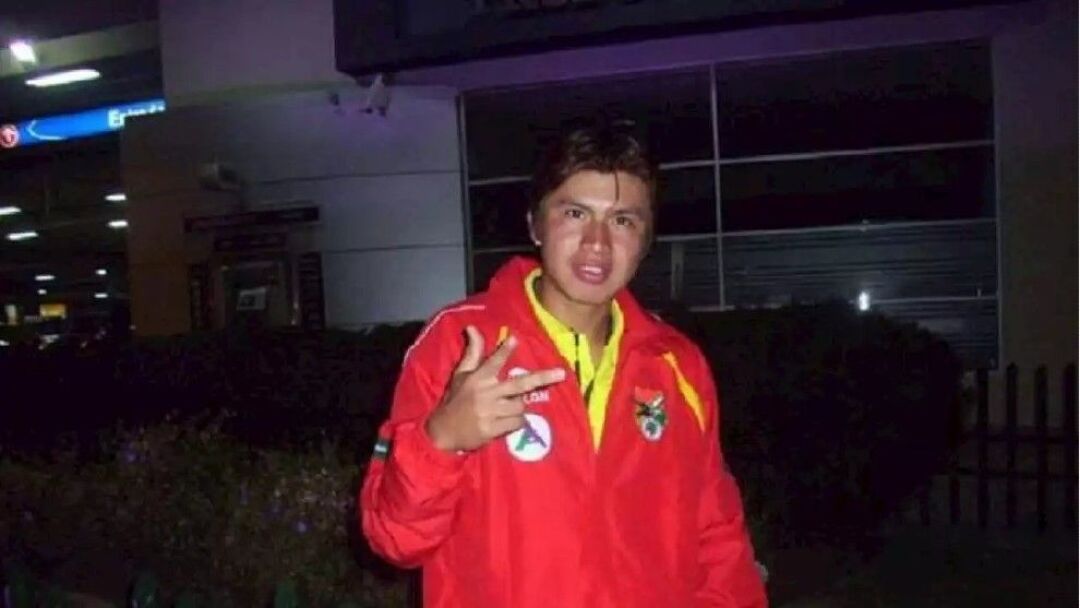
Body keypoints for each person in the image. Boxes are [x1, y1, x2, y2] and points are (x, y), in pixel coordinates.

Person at [360, 125, 767, 607]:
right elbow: (395, 539)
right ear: (535, 224)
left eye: (622, 220)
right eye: (575, 213)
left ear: (645, 241)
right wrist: (443, 440)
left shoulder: (676, 364)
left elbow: (718, 539)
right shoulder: (459, 342)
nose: (597, 242)